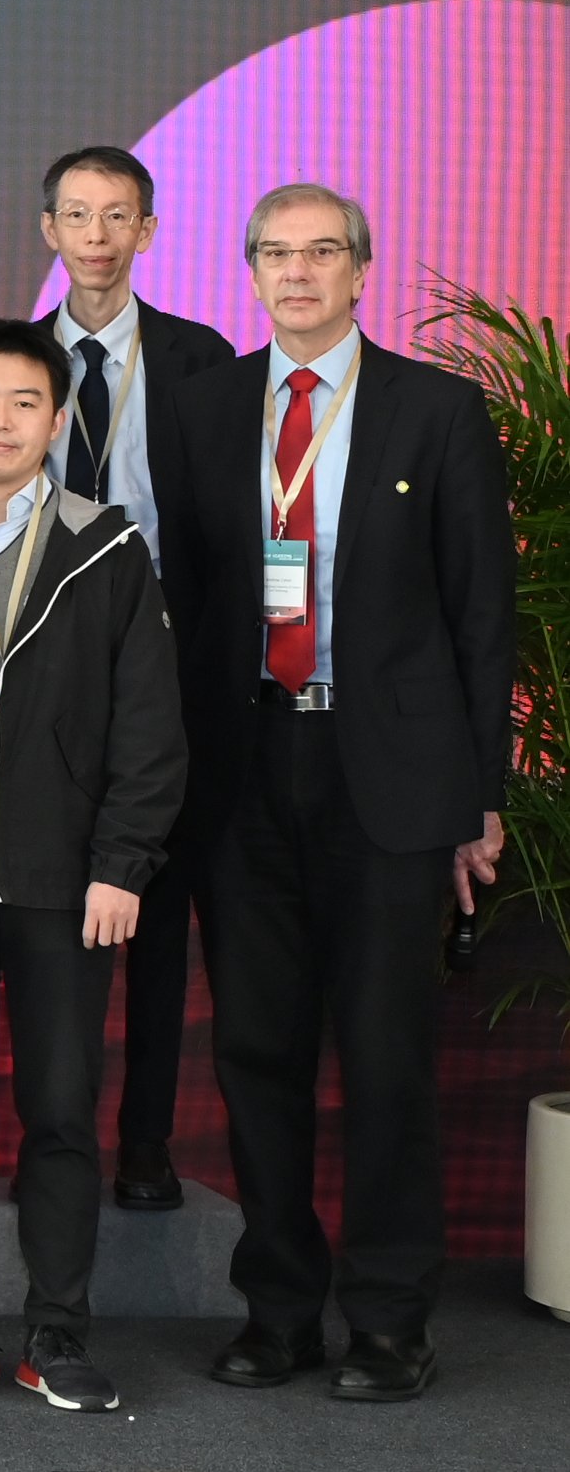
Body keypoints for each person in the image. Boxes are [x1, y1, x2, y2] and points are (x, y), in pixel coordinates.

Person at [169, 185, 511, 1404]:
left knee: (384, 1060)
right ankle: (278, 1312)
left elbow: (481, 616)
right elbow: (194, 603)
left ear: (363, 270)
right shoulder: (204, 411)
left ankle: (387, 1319)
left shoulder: (437, 410)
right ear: (249, 272)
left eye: (322, 252)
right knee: (257, 1055)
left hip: (391, 785)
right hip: (246, 773)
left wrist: (482, 797)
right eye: (276, 253)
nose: (298, 272)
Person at [0, 320, 185, 1415]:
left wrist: (122, 864)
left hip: (68, 884)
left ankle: (56, 1331)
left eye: (23, 402)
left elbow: (150, 730)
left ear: (56, 420)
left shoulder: (107, 546)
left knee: (63, 1112)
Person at [35, 145, 237, 1212]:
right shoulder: (6, 362)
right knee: (35, 915)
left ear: (147, 232)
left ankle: (146, 1142)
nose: (98, 236)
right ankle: (43, 1138)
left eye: (119, 217)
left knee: (154, 919)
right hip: (34, 675)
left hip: (168, 668)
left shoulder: (204, 360)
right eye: (78, 215)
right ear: (50, 233)